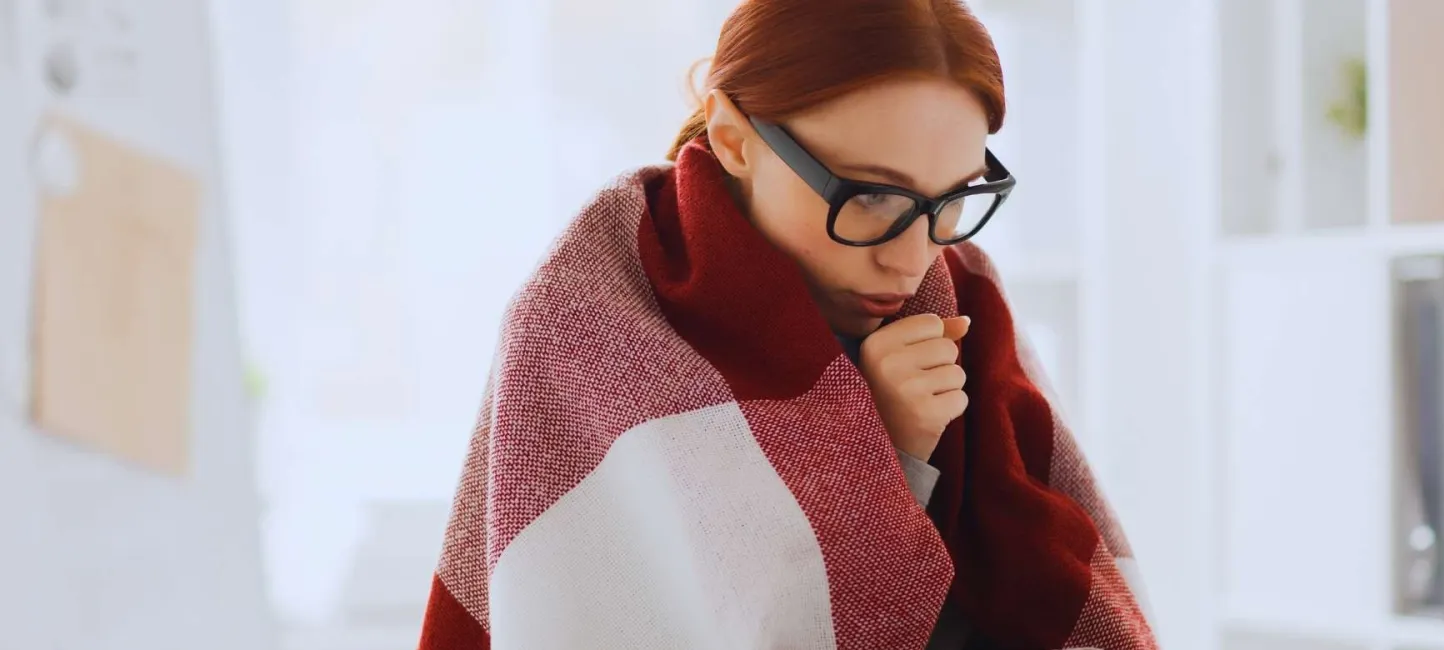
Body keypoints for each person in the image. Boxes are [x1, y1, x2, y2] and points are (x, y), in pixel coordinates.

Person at [418, 1, 1157, 648]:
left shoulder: (963, 292)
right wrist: (887, 446)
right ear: (737, 139)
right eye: (871, 197)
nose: (910, 259)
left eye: (953, 199)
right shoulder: (587, 324)